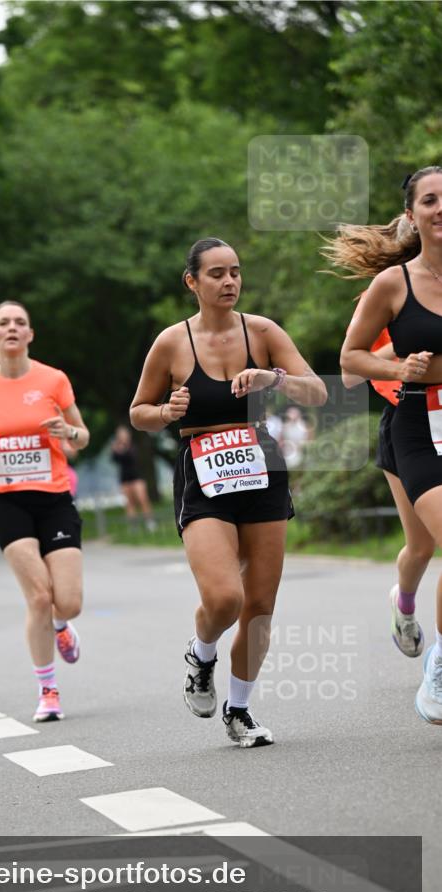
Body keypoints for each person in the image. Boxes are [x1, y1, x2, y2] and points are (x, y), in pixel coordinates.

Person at [130, 237, 327, 747]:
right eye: (216, 273)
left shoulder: (261, 331)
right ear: (192, 282)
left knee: (259, 604)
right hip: (203, 472)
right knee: (224, 597)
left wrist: (274, 377)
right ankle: (201, 655)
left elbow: (319, 391)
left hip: (261, 467)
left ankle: (239, 710)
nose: (230, 282)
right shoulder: (171, 343)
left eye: (236, 272)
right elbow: (139, 412)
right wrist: (166, 414)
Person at [337, 165, 442, 725]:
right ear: (413, 215)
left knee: (429, 546)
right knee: (422, 547)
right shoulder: (393, 286)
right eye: (430, 199)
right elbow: (351, 363)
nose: (441, 207)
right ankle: (414, 623)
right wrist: (400, 366)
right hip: (415, 425)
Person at [0, 300, 90, 722]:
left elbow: (82, 436)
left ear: (30, 335)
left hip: (53, 499)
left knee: (66, 602)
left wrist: (68, 431)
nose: (12, 328)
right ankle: (48, 690)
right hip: (8, 502)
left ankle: (61, 625)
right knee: (38, 596)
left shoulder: (53, 380)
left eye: (20, 322)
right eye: (4, 323)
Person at [341, 323, 434, 660]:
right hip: (409, 424)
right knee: (422, 546)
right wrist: (406, 338)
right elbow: (350, 374)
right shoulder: (385, 294)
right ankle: (404, 606)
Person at [110, 425, 156, 531]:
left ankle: (150, 521)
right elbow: (114, 459)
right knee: (129, 502)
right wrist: (115, 450)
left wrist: (120, 450)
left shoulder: (132, 446)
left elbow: (130, 457)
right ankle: (133, 526)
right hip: (124, 478)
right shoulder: (117, 447)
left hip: (136, 477)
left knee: (142, 499)